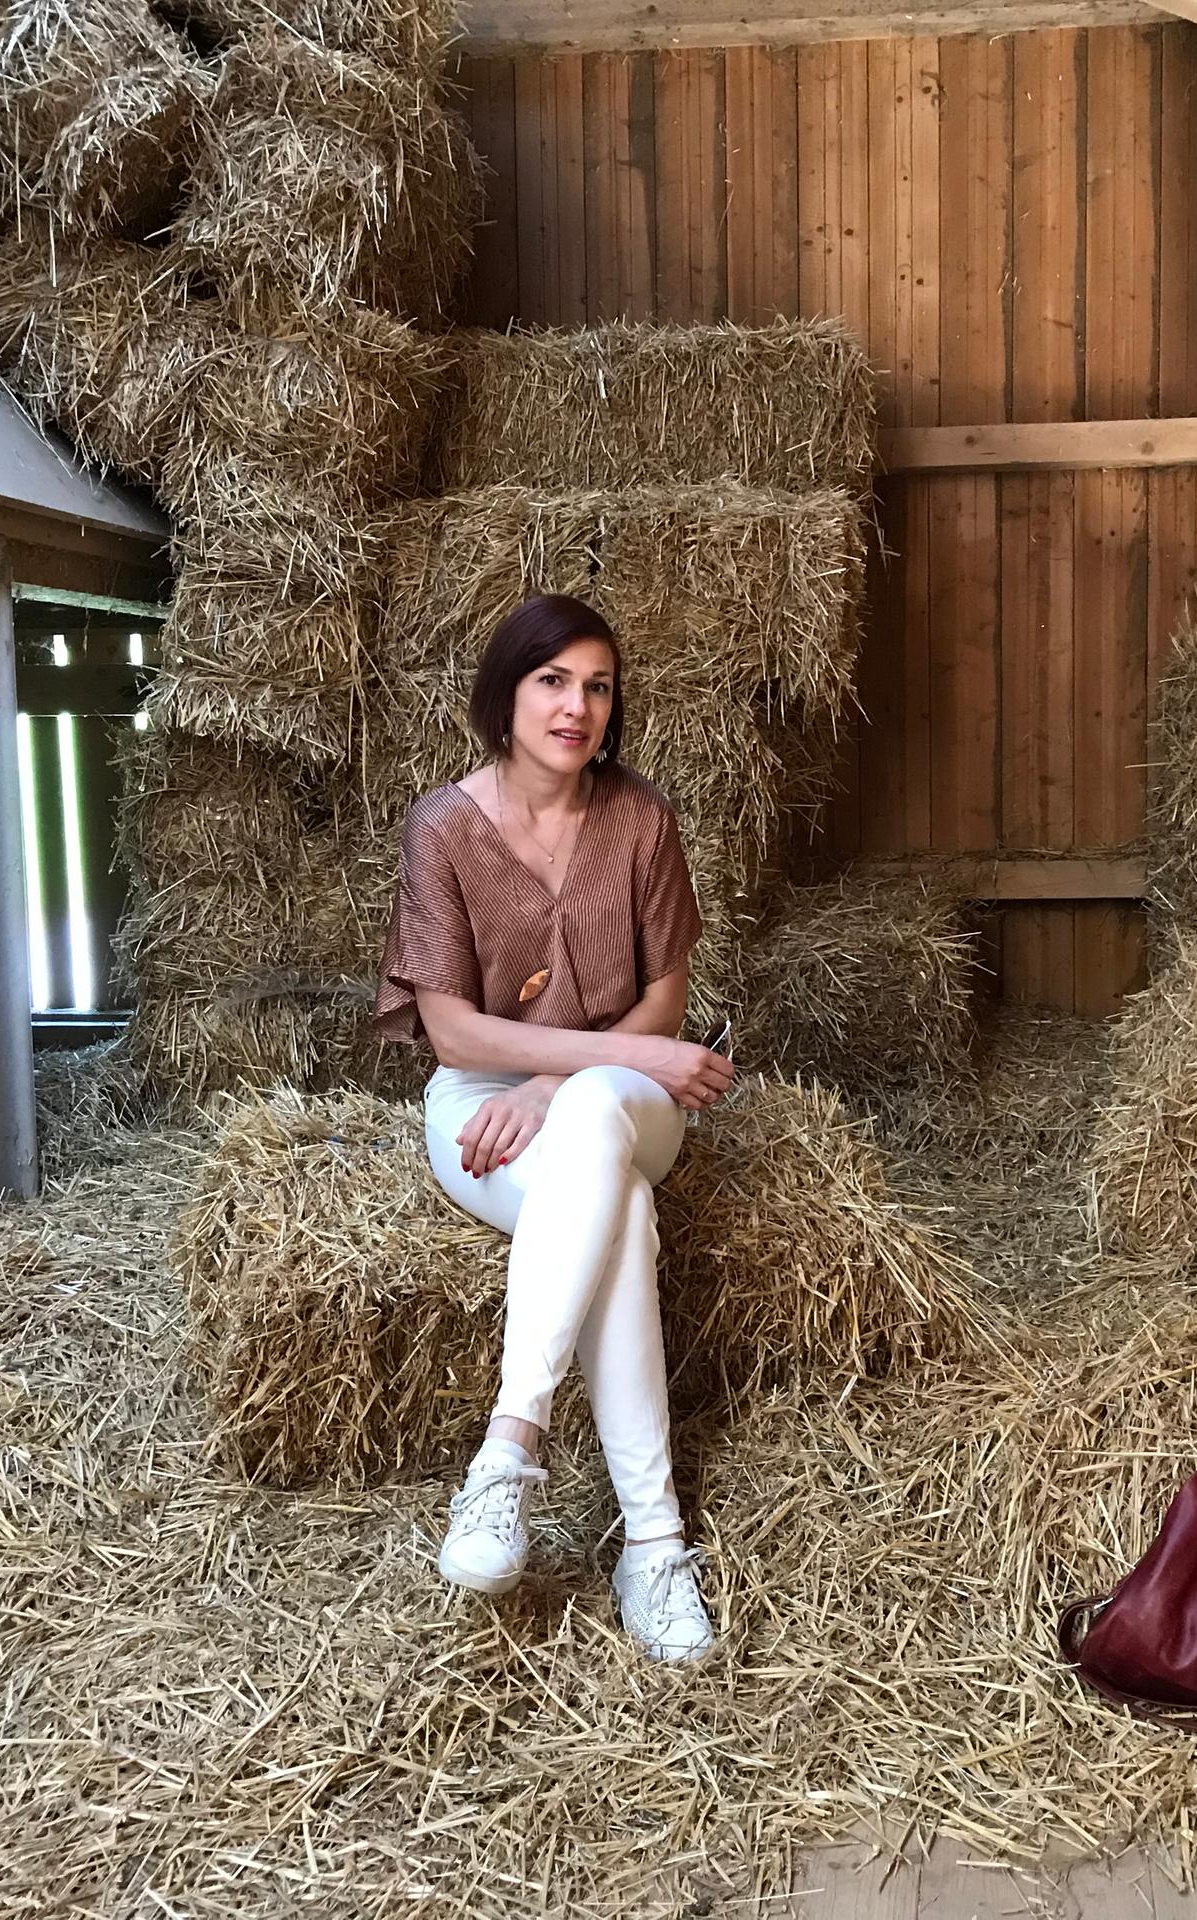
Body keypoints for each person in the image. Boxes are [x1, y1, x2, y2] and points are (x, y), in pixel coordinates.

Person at [372, 592, 736, 1664]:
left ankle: (506, 1455)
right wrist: (546, 1085)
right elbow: (446, 1028)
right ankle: (656, 1547)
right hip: (482, 1109)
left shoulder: (641, 819)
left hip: (625, 1099)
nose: (577, 706)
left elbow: (661, 1005)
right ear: (507, 694)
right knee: (615, 1215)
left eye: (599, 685)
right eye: (552, 681)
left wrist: (559, 1085)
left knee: (594, 1120)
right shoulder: (442, 828)